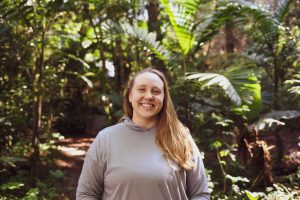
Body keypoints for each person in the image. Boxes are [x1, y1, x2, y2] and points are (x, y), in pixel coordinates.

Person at [76, 67, 210, 200]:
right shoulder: (105, 139)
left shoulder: (181, 138)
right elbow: (86, 194)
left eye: (156, 91)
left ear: (164, 99)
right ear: (130, 96)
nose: (149, 96)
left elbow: (200, 195)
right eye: (141, 89)